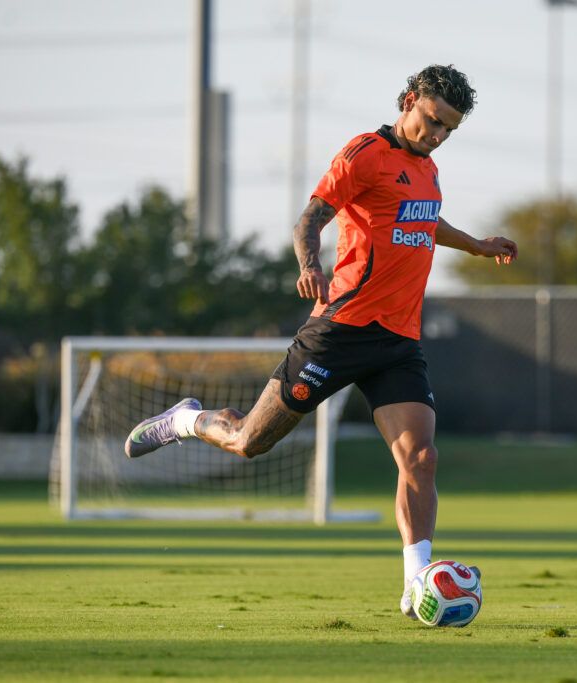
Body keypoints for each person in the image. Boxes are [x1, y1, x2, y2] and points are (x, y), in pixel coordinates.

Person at [124, 64, 517, 619]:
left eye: (448, 130)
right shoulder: (363, 154)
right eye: (432, 122)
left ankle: (415, 585)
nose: (437, 136)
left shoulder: (427, 170)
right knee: (248, 442)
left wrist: (477, 246)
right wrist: (309, 265)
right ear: (409, 101)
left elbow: (425, 222)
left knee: (421, 458)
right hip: (339, 331)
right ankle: (188, 420)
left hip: (398, 341)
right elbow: (310, 217)